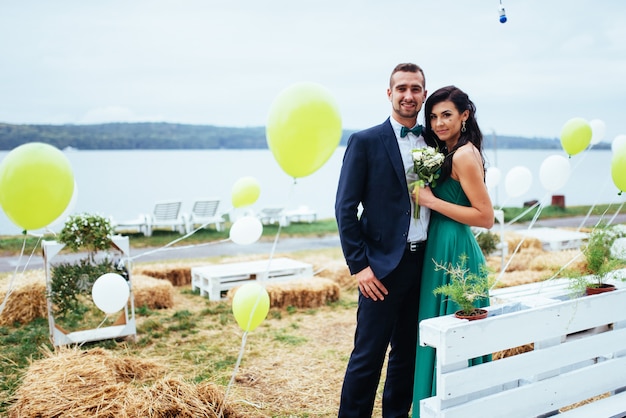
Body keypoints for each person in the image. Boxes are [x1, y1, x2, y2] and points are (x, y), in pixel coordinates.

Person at [335, 62, 435, 417]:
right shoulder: (365, 141)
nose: (409, 95)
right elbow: (345, 208)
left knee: (408, 353)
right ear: (389, 93)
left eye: (416, 89)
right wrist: (360, 267)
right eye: (402, 88)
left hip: (423, 264)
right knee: (368, 355)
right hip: (379, 267)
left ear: (424, 94)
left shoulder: (434, 142)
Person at [411, 85, 494, 414]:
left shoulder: (463, 154)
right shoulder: (448, 151)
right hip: (439, 245)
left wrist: (431, 200)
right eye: (433, 116)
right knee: (437, 332)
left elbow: (485, 217)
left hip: (455, 250)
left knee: (453, 336)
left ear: (465, 115)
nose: (438, 123)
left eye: (446, 114)